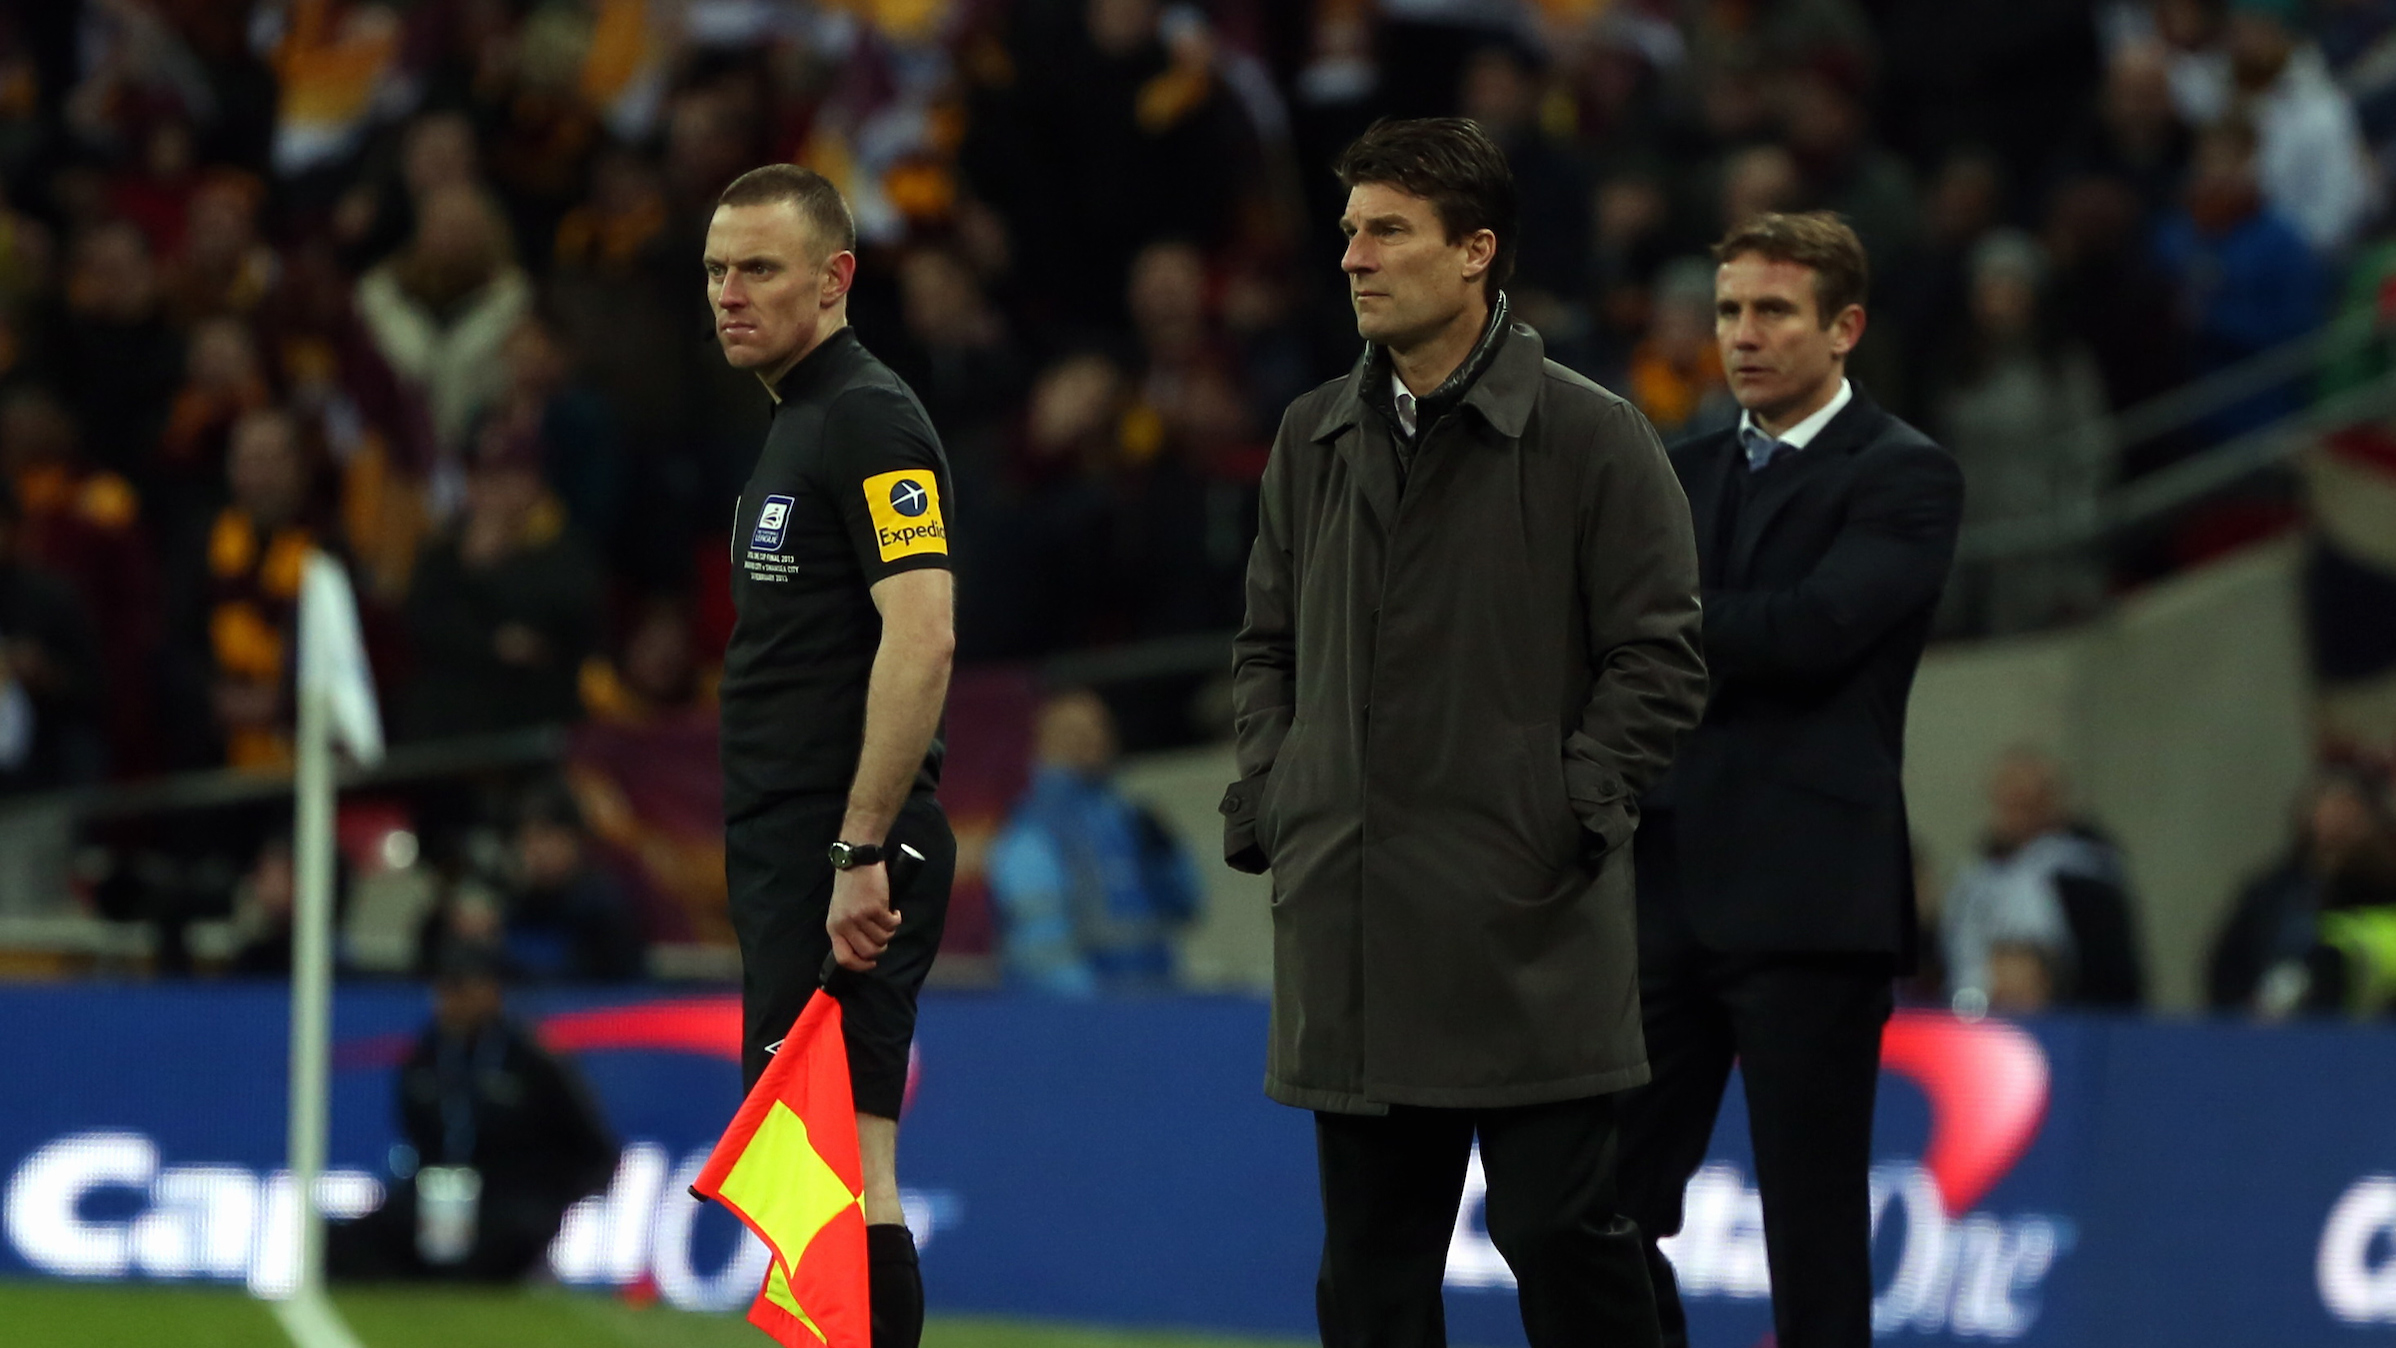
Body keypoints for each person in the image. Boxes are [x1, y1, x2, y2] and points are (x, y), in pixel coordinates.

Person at [1224, 117, 1707, 1347]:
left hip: (1526, 922)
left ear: (1475, 251)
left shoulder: (1592, 433)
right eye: (1347, 231)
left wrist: (1564, 809)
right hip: (1355, 918)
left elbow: (1658, 654)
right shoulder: (1308, 436)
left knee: (1560, 1241)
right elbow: (1264, 646)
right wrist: (1281, 792)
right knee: (1370, 1282)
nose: (1351, 258)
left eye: (1386, 230)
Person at [1618, 211, 1964, 1348]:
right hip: (1663, 885)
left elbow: (1813, 630)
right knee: (1590, 1207)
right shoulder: (1678, 469)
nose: (1742, 335)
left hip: (1811, 898)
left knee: (1810, 1240)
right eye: (1727, 311)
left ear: (1843, 327)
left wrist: (1656, 617)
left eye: (1771, 310)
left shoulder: (1906, 475)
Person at [706, 163, 957, 1348]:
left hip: (842, 848)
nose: (729, 293)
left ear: (835, 277)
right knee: (811, 1181)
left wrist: (863, 842)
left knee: (844, 1171)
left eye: (758, 268)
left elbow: (923, 631)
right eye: (715, 269)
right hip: (795, 844)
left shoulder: (865, 414)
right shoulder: (797, 421)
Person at [326, 943, 619, 1282]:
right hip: (440, 1191)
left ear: (490, 992)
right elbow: (413, 1129)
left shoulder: (531, 1059)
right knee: (342, 1241)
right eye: (442, 989)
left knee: (505, 1240)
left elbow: (593, 1147)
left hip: (509, 1197)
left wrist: (556, 1202)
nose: (447, 1001)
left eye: (459, 989)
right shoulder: (428, 1053)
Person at [987, 689, 1200, 994]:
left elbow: (1187, 906)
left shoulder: (1131, 818)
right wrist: (1090, 1009)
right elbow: (1039, 942)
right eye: (1074, 732)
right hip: (1077, 1017)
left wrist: (1167, 857)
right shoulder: (1034, 829)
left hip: (1153, 1000)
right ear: (1043, 743)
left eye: (1100, 727)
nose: (1092, 740)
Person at [1939, 747, 2144, 1014]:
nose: (2012, 815)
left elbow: (2112, 978)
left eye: (2025, 804)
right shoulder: (1974, 881)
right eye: (2005, 802)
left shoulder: (2085, 880)